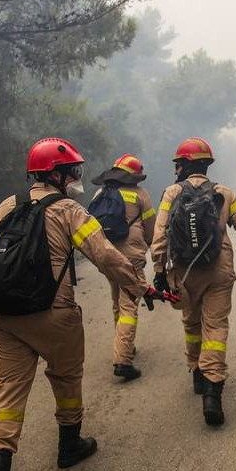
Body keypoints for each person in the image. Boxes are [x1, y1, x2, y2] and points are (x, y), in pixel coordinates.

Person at [0, 137, 151, 471]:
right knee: (67, 377)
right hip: (54, 313)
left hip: (7, 316)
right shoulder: (69, 209)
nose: (76, 177)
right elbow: (106, 255)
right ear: (56, 175)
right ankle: (69, 445)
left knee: (7, 393)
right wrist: (140, 286)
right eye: (72, 171)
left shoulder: (7, 206)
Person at [151, 137, 236, 426]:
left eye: (178, 164)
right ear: (206, 165)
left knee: (191, 321)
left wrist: (159, 270)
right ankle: (213, 391)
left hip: (184, 272)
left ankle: (197, 371)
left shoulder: (171, 193)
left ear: (184, 166)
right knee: (216, 326)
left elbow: (159, 236)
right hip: (219, 270)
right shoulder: (226, 193)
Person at [89, 154, 156, 381]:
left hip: (107, 255)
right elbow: (150, 229)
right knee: (129, 304)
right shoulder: (140, 194)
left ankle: (123, 345)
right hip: (131, 256)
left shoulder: (101, 193)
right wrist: (148, 248)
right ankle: (123, 360)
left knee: (117, 299)